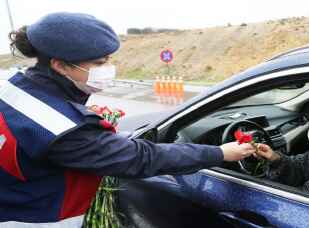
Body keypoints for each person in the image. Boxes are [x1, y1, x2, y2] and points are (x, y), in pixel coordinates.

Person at [0, 12, 255, 227]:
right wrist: (220, 153)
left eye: (108, 60)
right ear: (60, 65)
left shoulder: (14, 89)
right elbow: (142, 158)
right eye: (98, 63)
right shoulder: (61, 127)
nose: (107, 68)